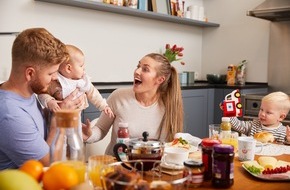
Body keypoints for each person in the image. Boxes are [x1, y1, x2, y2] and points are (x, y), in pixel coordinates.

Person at [0, 28, 84, 170]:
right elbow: (47, 164)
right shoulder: (10, 114)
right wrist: (60, 120)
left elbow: (36, 127)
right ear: (30, 73)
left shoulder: (27, 93)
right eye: (51, 73)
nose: (55, 78)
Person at [82, 53, 184, 155]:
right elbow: (101, 129)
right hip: (115, 164)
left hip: (148, 164)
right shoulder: (119, 96)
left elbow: (164, 147)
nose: (137, 71)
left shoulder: (167, 106)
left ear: (160, 79)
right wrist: (89, 135)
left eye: (145, 69)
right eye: (138, 66)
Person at [38, 44, 114, 138]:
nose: (84, 69)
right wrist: (50, 101)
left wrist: (103, 106)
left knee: (76, 142)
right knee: (58, 142)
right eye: (81, 66)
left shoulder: (83, 81)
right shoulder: (55, 81)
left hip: (75, 120)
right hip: (56, 122)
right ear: (69, 68)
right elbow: (42, 94)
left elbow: (93, 93)